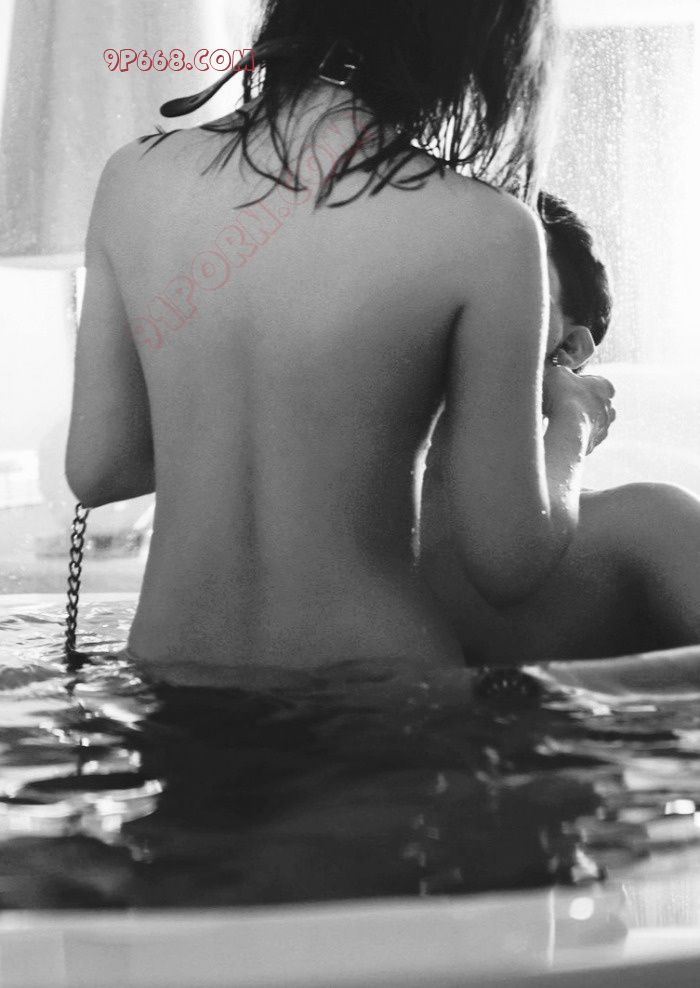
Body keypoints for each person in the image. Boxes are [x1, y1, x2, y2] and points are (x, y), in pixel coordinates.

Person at [66, 1, 614, 681]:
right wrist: (575, 423)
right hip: (375, 686)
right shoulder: (490, 229)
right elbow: (508, 561)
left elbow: (99, 469)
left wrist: (215, 426)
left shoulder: (133, 178)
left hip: (174, 675)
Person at [421, 192, 700, 665]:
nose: (461, 297)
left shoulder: (648, 526)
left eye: (509, 282)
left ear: (568, 349)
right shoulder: (324, 531)